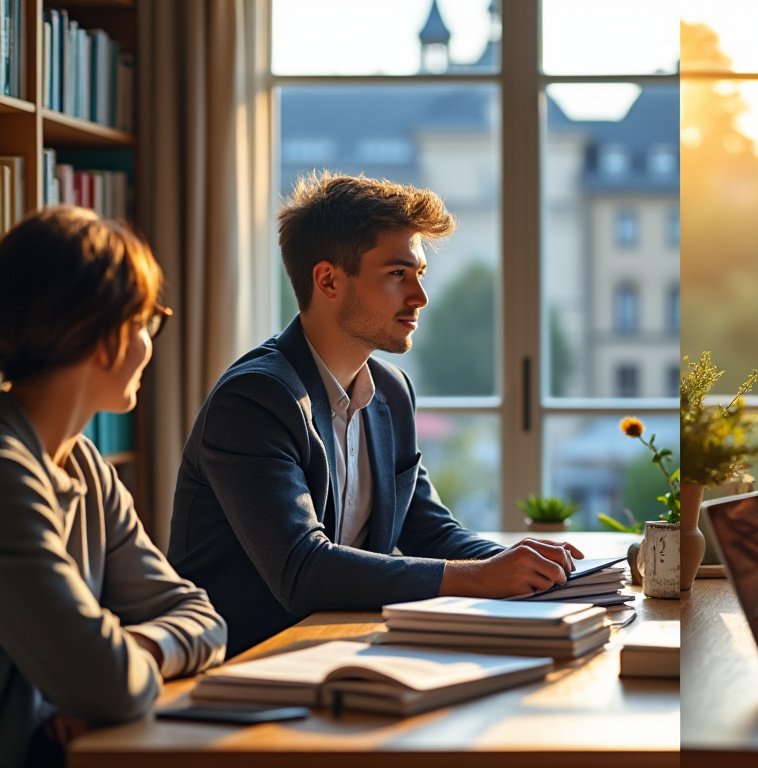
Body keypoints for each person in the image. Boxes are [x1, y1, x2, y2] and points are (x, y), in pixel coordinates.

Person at [169, 173, 581, 657]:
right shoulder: (255, 399)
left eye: (420, 275)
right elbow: (302, 569)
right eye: (396, 275)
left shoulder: (391, 390)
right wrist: (479, 578)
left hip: (345, 649)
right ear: (328, 280)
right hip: (245, 669)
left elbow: (428, 531)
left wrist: (528, 565)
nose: (420, 298)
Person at [0, 207, 227, 767]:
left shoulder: (85, 466)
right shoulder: (6, 473)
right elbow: (107, 685)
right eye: (145, 322)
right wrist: (100, 678)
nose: (150, 344)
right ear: (104, 337)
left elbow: (201, 618)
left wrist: (132, 651)